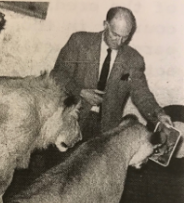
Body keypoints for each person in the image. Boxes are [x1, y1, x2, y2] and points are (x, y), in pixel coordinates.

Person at [50, 6, 173, 140]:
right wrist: (80, 91)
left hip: (105, 129)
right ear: (106, 25)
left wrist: (159, 115)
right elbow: (58, 74)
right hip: (71, 119)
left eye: (125, 37)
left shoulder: (133, 60)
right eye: (115, 35)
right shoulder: (80, 42)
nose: (119, 42)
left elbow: (142, 94)